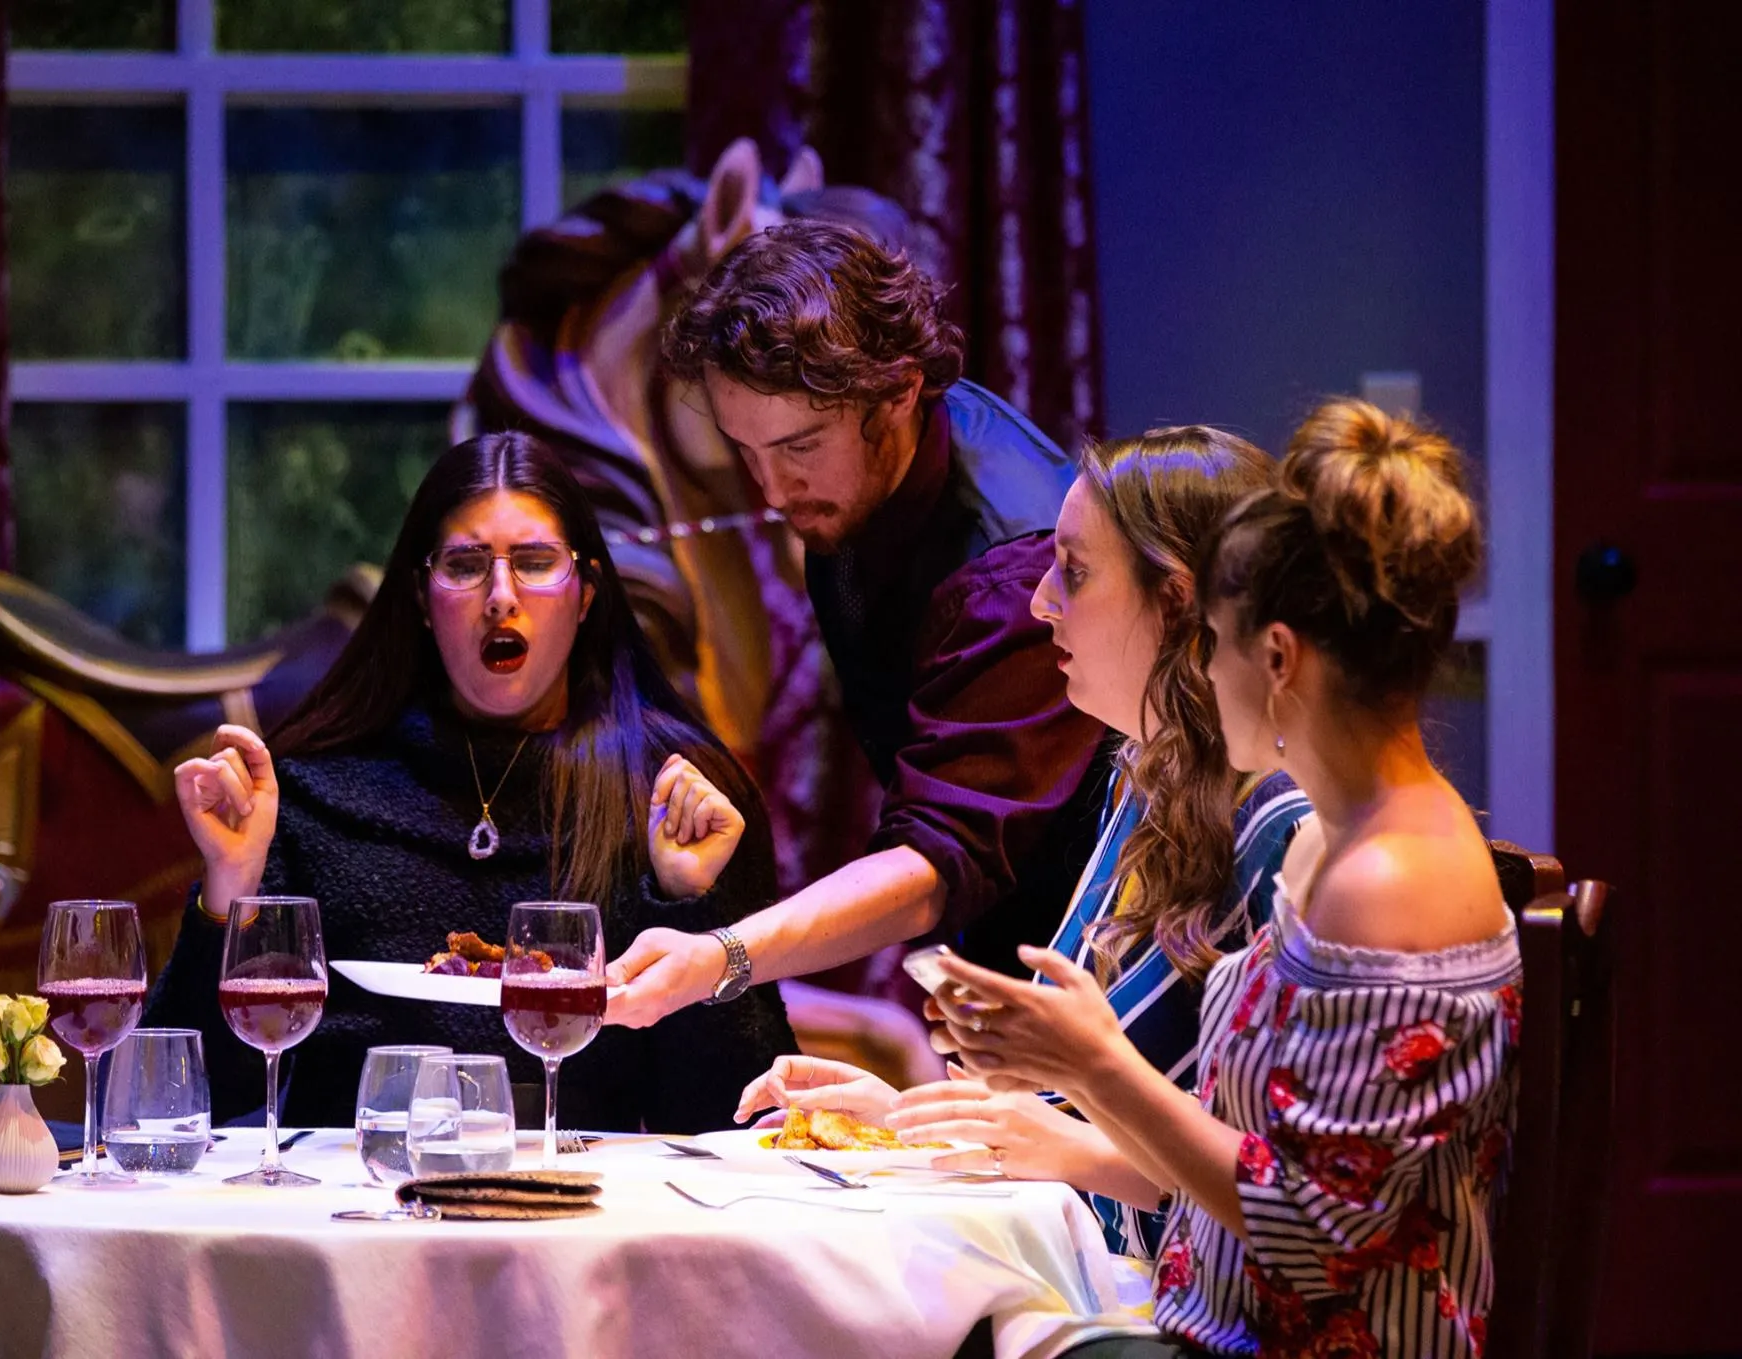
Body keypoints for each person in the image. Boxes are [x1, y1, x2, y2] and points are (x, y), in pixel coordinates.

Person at [923, 400, 1517, 1357]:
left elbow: (1317, 1239)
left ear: (1274, 656)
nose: (1200, 670)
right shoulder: (1349, 841)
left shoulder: (1388, 878)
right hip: (1206, 1321)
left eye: (1213, 641)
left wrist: (1093, 1067)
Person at [735, 427, 1310, 1261]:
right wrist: (903, 1119)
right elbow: (1067, 1121)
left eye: (1072, 572)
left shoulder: (1283, 829)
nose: (1040, 601)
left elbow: (1286, 1216)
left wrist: (1059, 1146)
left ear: (1178, 602)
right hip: (1086, 1259)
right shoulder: (1143, 777)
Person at [143, 432, 796, 1133]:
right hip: (350, 1207)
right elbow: (180, 1096)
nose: (501, 596)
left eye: (537, 562)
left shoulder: (671, 792)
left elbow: (735, 1117)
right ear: (424, 598)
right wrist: (230, 889)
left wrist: (689, 903)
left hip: (586, 1214)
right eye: (466, 564)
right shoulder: (315, 785)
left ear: (586, 596)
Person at [607, 219, 1111, 1025]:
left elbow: (937, 858)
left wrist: (721, 955)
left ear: (900, 391)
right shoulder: (859, 481)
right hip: (1017, 947)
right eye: (748, 451)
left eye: (800, 445)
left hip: (1106, 974)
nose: (772, 491)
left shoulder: (1010, 575)